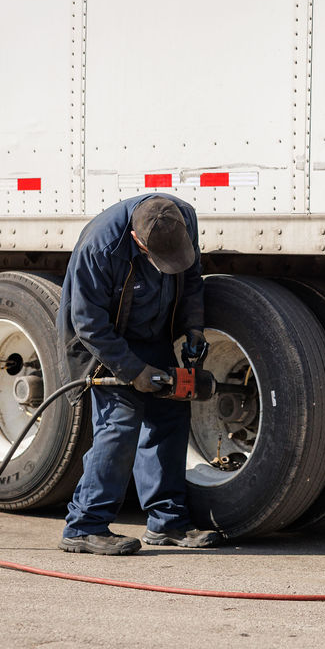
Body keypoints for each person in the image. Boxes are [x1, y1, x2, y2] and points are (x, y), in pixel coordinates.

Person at [56, 193, 221, 555]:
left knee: (170, 415)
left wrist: (193, 328)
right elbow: (88, 323)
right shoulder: (99, 247)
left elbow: (192, 279)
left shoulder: (183, 218)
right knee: (119, 425)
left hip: (153, 334)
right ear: (136, 240)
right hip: (106, 343)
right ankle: (84, 526)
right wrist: (134, 371)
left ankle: (167, 522)